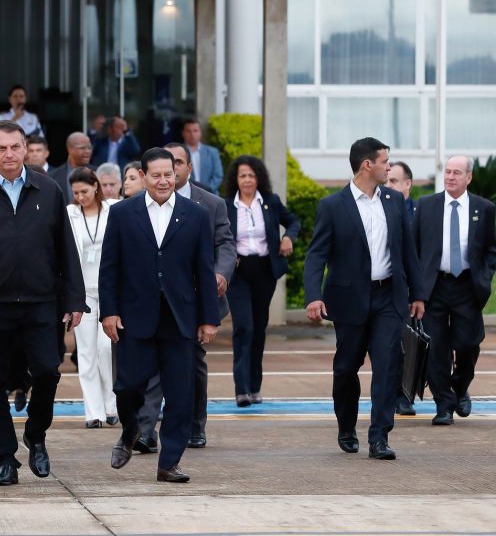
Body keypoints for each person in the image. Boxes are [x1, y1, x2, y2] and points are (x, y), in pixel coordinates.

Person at [0, 120, 87, 487]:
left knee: (47, 372)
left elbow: (66, 251)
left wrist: (74, 299)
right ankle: (5, 458)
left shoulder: (49, 190)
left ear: (26, 149)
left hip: (41, 304)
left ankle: (36, 434)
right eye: (1, 148)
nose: (9, 154)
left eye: (15, 147)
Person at [101, 148, 219, 483]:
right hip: (136, 315)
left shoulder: (195, 215)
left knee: (180, 394)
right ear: (143, 176)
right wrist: (109, 312)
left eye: (169, 174)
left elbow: (203, 270)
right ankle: (128, 432)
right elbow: (110, 267)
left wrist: (209, 318)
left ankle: (169, 462)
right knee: (128, 387)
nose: (164, 180)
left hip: (180, 317)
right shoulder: (124, 213)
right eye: (157, 175)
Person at [304, 137, 425, 460]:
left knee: (388, 366)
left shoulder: (394, 200)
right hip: (349, 301)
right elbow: (317, 255)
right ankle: (346, 426)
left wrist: (418, 294)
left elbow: (407, 252)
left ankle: (379, 437)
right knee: (346, 368)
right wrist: (313, 296)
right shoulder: (332, 206)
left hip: (389, 298)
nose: (390, 166)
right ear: (367, 165)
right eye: (385, 161)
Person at [134, 143, 235, 453]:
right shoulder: (140, 204)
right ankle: (146, 429)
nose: (170, 171)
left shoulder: (211, 203)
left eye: (177, 164)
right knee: (151, 367)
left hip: (195, 297)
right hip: (154, 298)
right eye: (165, 165)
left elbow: (226, 245)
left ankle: (195, 424)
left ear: (188, 168)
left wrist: (219, 274)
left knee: (192, 365)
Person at [413, 156, 496, 426]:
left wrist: (485, 274)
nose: (450, 176)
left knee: (468, 344)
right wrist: (417, 290)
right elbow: (413, 248)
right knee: (436, 347)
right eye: (447, 172)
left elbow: (491, 247)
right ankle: (444, 405)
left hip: (467, 286)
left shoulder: (484, 209)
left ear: (468, 177)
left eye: (457, 173)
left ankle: (460, 388)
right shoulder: (426, 205)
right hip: (434, 286)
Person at [222, 155, 300, 407]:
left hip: (265, 271)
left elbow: (293, 222)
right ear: (236, 179)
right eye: (242, 175)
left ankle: (255, 386)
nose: (247, 180)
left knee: (258, 329)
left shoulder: (270, 202)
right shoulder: (225, 206)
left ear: (259, 179)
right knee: (243, 327)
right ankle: (241, 389)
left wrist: (288, 237)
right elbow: (217, 236)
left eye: (251, 175)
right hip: (238, 273)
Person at [66, 167, 117, 428]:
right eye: (75, 193)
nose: (80, 197)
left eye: (84, 191)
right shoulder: (70, 213)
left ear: (96, 187)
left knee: (105, 348)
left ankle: (111, 405)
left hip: (109, 288)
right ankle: (93, 412)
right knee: (86, 351)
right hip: (82, 291)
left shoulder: (113, 209)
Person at [386, 161, 418, 416]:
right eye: (387, 181)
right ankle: (398, 394)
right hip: (390, 289)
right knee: (391, 344)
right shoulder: (382, 209)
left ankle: (407, 392)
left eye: (395, 181)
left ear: (408, 184)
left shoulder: (422, 211)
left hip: (417, 290)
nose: (389, 186)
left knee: (415, 344)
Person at [50, 132, 95, 205]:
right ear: (69, 149)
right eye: (82, 148)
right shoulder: (53, 177)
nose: (88, 151)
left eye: (89, 147)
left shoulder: (97, 173)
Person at [181, 118, 223, 192]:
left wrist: (206, 191)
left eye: (195, 131)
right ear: (183, 133)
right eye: (188, 131)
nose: (192, 134)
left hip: (210, 195)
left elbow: (218, 175)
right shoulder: (178, 152)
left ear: (200, 132)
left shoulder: (212, 152)